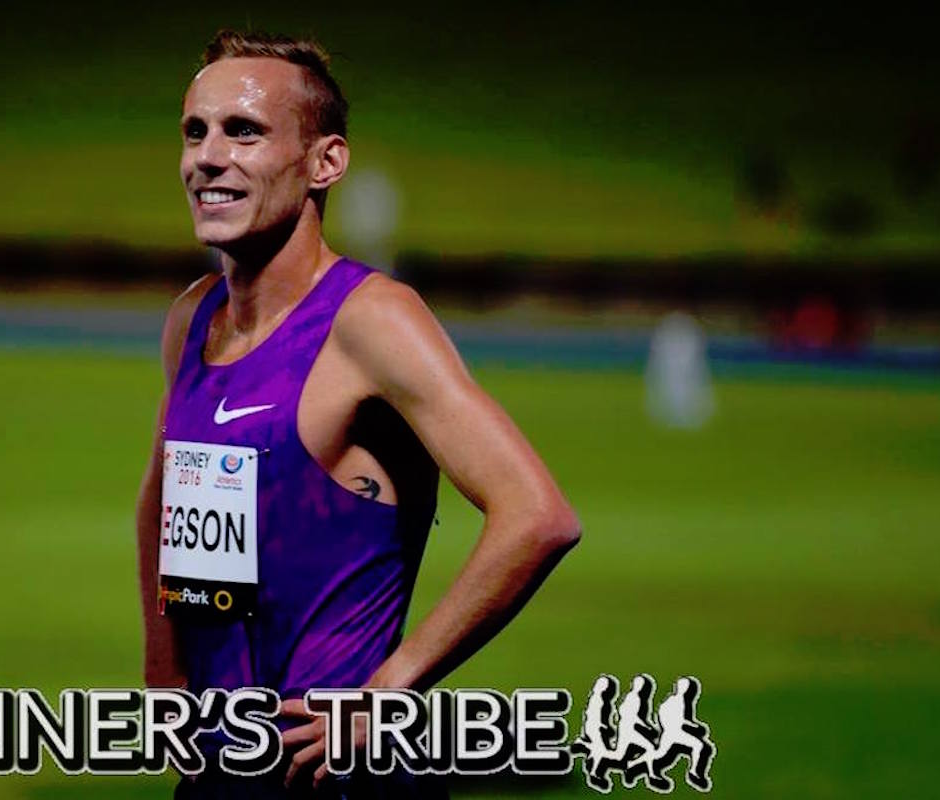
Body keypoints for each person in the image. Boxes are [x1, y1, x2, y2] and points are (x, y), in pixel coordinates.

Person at [135, 29, 582, 798]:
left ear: (325, 163)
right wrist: (166, 675)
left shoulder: (370, 321)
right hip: (224, 766)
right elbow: (168, 499)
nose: (207, 156)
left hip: (342, 775)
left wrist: (389, 692)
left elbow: (538, 515)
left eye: (244, 130)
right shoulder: (193, 318)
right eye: (195, 131)